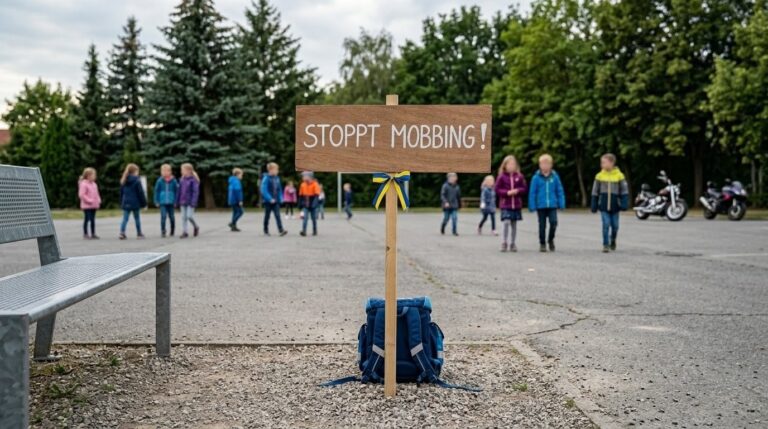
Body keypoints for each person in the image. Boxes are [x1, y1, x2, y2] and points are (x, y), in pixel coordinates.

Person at [591, 153, 629, 252]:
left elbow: (624, 190)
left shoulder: (619, 176)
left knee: (615, 226)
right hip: (603, 206)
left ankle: (613, 240)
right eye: (601, 163)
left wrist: (624, 203)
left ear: (611, 163)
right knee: (606, 224)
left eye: (603, 162)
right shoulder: (599, 176)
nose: (601, 164)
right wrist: (594, 204)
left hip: (615, 206)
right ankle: (605, 244)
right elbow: (595, 191)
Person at [528, 154, 565, 252]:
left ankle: (550, 239)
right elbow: (532, 192)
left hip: (552, 205)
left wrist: (561, 203)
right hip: (541, 205)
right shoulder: (536, 178)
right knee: (542, 225)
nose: (545, 166)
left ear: (551, 165)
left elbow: (559, 190)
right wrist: (532, 205)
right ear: (540, 165)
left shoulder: (555, 177)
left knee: (554, 223)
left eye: (547, 164)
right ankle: (542, 243)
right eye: (543, 164)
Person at [495, 156, 527, 252]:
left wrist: (517, 190)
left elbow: (524, 188)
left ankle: (513, 243)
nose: (511, 166)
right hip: (506, 204)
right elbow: (497, 189)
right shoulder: (501, 177)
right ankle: (504, 242)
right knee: (506, 222)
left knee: (514, 224)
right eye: (509, 164)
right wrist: (506, 192)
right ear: (505, 165)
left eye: (513, 164)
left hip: (516, 205)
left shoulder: (519, 176)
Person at [119, 163, 146, 240]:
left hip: (126, 202)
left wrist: (121, 202)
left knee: (125, 218)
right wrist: (144, 203)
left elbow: (121, 193)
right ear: (134, 172)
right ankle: (139, 233)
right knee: (137, 218)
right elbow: (140, 193)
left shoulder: (123, 180)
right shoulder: (137, 181)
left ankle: (122, 232)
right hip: (135, 202)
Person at [261, 162, 287, 236]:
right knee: (267, 216)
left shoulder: (277, 178)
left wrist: (281, 198)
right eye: (276, 170)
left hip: (276, 201)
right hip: (268, 202)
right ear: (270, 170)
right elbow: (264, 190)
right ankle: (265, 230)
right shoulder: (266, 178)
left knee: (277, 215)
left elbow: (279, 190)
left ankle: (281, 230)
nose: (277, 171)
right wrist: (270, 199)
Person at [153, 163, 179, 238]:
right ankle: (163, 230)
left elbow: (177, 191)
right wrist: (156, 201)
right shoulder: (159, 181)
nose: (164, 173)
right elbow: (156, 191)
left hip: (171, 202)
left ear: (170, 172)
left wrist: (176, 201)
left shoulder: (173, 181)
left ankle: (172, 230)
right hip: (162, 202)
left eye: (166, 171)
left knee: (172, 217)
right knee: (163, 216)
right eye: (163, 171)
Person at [177, 163, 200, 238]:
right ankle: (185, 232)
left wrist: (193, 202)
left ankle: (196, 226)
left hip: (190, 202)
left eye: (182, 170)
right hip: (182, 201)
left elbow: (195, 192)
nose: (181, 171)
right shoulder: (182, 180)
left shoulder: (194, 180)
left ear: (188, 171)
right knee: (183, 217)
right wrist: (177, 201)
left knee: (189, 216)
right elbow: (179, 191)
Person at [78, 167, 101, 240]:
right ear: (88, 175)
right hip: (87, 206)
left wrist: (98, 200)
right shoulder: (83, 184)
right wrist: (89, 200)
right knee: (87, 219)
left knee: (93, 220)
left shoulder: (94, 184)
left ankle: (93, 233)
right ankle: (85, 233)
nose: (95, 177)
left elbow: (96, 193)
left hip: (93, 205)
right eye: (93, 175)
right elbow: (81, 194)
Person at [298, 171, 321, 236]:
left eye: (304, 176)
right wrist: (300, 204)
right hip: (306, 204)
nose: (303, 177)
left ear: (309, 177)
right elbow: (301, 195)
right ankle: (304, 231)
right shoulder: (302, 184)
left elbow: (317, 195)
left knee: (313, 218)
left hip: (313, 203)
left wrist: (314, 204)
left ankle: (315, 231)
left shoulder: (315, 184)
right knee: (305, 218)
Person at [228, 167, 244, 232]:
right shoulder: (236, 182)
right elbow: (238, 192)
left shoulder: (232, 181)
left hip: (231, 199)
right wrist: (240, 200)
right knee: (241, 212)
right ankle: (232, 223)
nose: (242, 176)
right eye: (241, 175)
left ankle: (233, 227)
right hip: (236, 200)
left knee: (235, 213)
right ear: (237, 174)